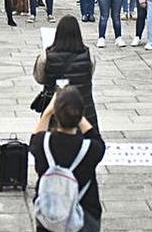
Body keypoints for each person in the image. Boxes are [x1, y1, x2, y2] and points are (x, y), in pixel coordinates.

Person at [30, 87, 106, 232]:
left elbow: (35, 136)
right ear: (80, 115)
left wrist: (48, 112)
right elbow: (96, 138)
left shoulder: (42, 144)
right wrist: (78, 113)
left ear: (56, 115)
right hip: (84, 216)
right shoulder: (90, 149)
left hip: (49, 218)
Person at [32, 16, 98, 128]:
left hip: (56, 111)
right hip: (85, 111)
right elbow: (89, 75)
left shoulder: (46, 57)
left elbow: (40, 78)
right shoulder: (89, 56)